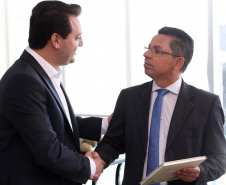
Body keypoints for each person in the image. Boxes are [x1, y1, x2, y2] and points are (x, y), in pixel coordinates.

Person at [95, 27, 226, 185]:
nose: (146, 54)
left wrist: (201, 171)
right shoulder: (129, 97)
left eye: (156, 51)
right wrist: (97, 161)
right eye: (148, 48)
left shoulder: (206, 103)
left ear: (178, 62)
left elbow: (220, 158)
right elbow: (113, 142)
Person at [0, 1, 112, 185]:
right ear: (56, 40)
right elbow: (47, 151)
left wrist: (105, 124)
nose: (81, 44)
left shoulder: (39, 73)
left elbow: (58, 122)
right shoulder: (24, 80)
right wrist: (91, 165)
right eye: (77, 38)